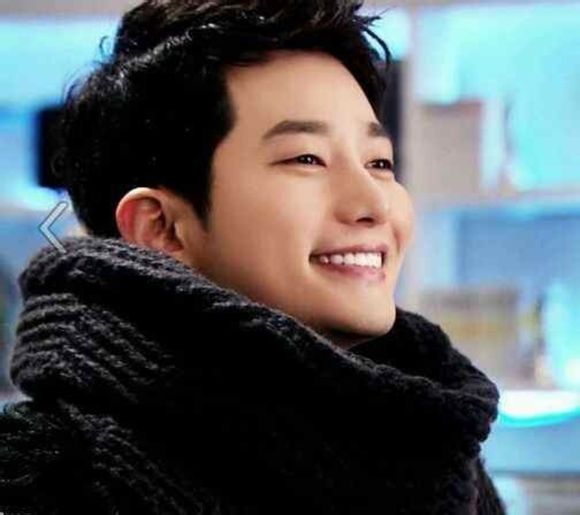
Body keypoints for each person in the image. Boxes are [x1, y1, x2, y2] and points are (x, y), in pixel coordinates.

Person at [0, 0, 507, 513]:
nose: (375, 204)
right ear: (161, 227)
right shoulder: (43, 479)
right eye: (307, 158)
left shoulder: (439, 453)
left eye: (379, 163)